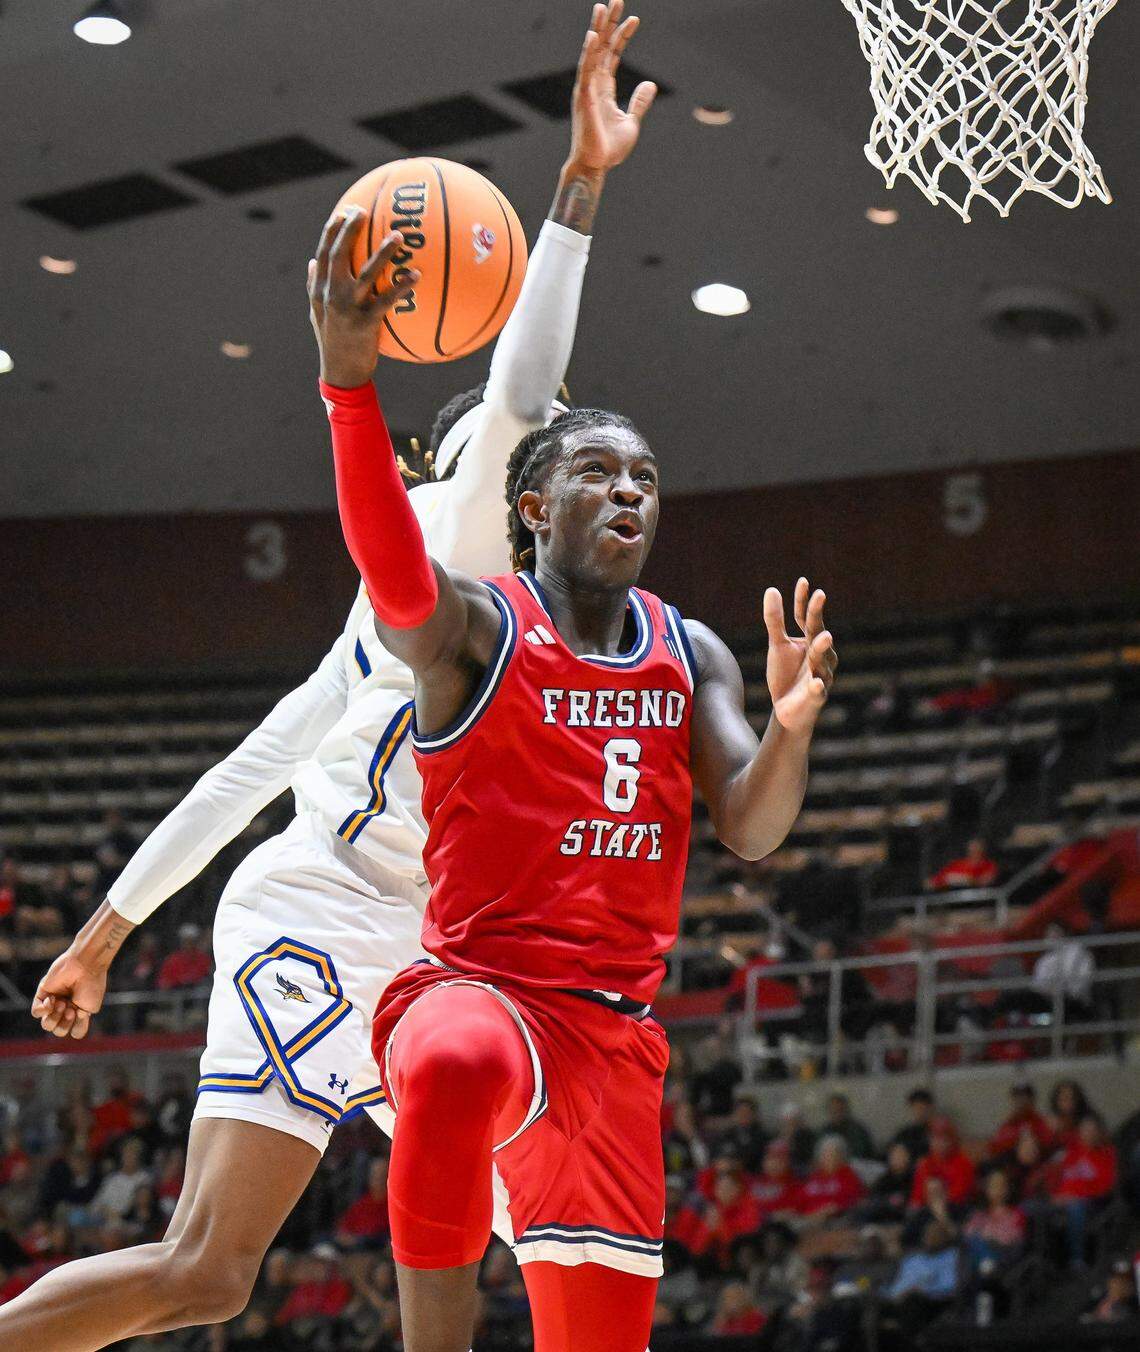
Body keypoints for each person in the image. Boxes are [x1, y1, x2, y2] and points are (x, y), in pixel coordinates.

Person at [2, 7, 648, 1347]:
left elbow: (260, 757)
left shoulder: (568, 631)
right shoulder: (463, 543)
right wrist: (578, 185)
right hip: (328, 914)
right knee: (206, 1271)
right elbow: (522, 392)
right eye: (533, 460)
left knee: (560, 1258)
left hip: (449, 963)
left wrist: (112, 928)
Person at [313, 127, 836, 1352]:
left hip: (613, 1039)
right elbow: (394, 573)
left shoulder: (688, 647)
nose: (630, 492)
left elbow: (753, 829)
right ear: (535, 503)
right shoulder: (478, 633)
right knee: (442, 1065)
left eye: (646, 477)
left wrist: (794, 726)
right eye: (600, 471)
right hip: (479, 991)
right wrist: (349, 386)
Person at [987, 1081, 1056, 1159]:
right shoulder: (1009, 1124)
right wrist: (1016, 1139)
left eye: (1025, 1097)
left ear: (1032, 1100)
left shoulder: (1041, 1122)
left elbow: (1049, 1143)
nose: (1022, 1101)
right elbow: (994, 1147)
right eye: (1018, 1097)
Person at [925, 837, 999, 891]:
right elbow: (937, 880)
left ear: (982, 850)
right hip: (951, 898)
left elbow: (986, 882)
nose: (974, 852)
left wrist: (968, 880)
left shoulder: (989, 865)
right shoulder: (957, 864)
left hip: (977, 901)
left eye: (977, 850)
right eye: (972, 850)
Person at [824, 1092, 875, 1161]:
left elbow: (862, 1153)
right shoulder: (824, 1131)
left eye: (839, 1109)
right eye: (833, 1110)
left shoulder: (858, 1130)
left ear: (845, 1110)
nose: (836, 1112)